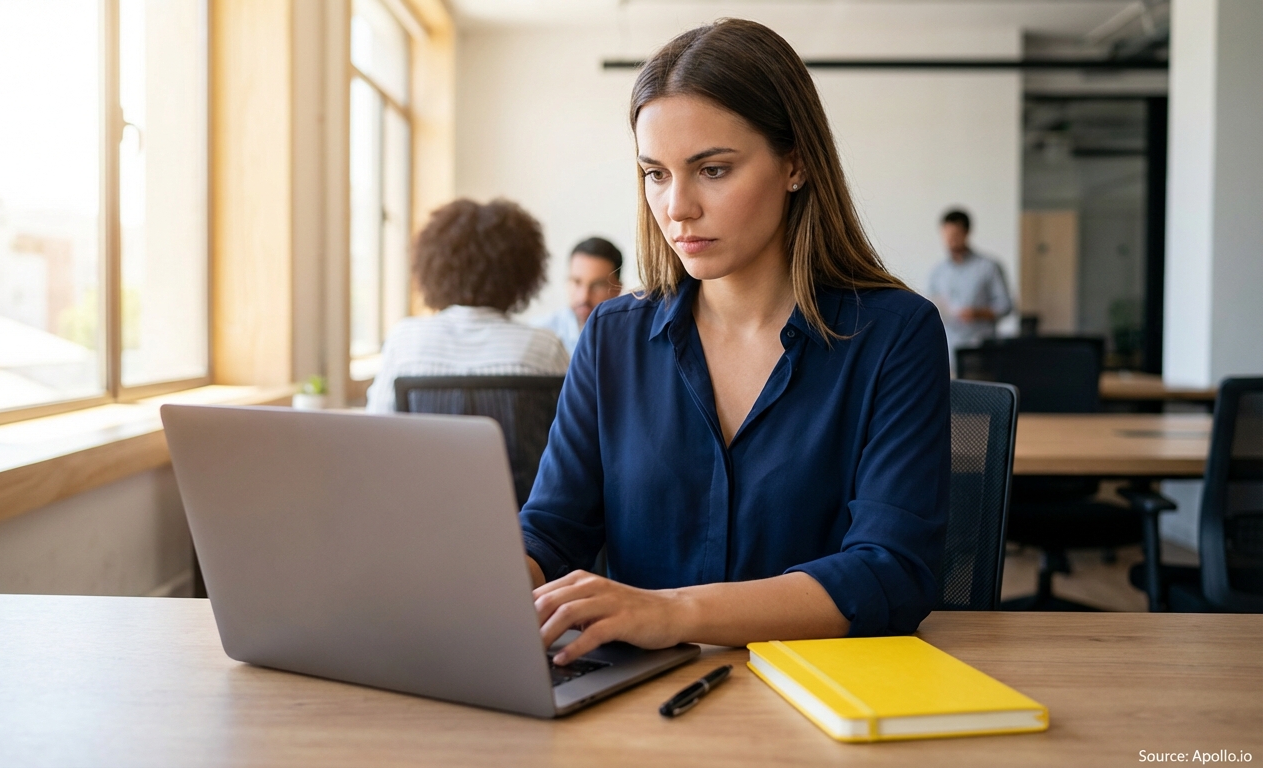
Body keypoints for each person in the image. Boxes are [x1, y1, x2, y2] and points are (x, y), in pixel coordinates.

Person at [520, 19, 950, 666]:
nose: (677, 207)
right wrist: (487, 594)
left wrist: (673, 613)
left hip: (820, 705)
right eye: (655, 174)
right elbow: (552, 532)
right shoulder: (612, 336)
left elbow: (889, 571)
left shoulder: (895, 333)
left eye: (712, 169)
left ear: (796, 164)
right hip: (639, 705)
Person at [365, 199, 569, 413]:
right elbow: (576, 434)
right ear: (524, 272)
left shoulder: (404, 341)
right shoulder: (545, 348)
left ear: (433, 268)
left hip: (425, 448)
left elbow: (376, 428)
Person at [927, 208, 1013, 367]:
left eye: (955, 235)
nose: (950, 240)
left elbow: (1006, 305)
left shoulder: (988, 267)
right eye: (947, 235)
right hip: (948, 351)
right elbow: (933, 305)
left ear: (967, 233)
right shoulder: (938, 272)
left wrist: (977, 313)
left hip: (980, 350)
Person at [533, 237, 624, 355]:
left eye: (597, 285)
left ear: (617, 288)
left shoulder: (632, 338)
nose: (584, 297)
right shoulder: (540, 335)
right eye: (577, 282)